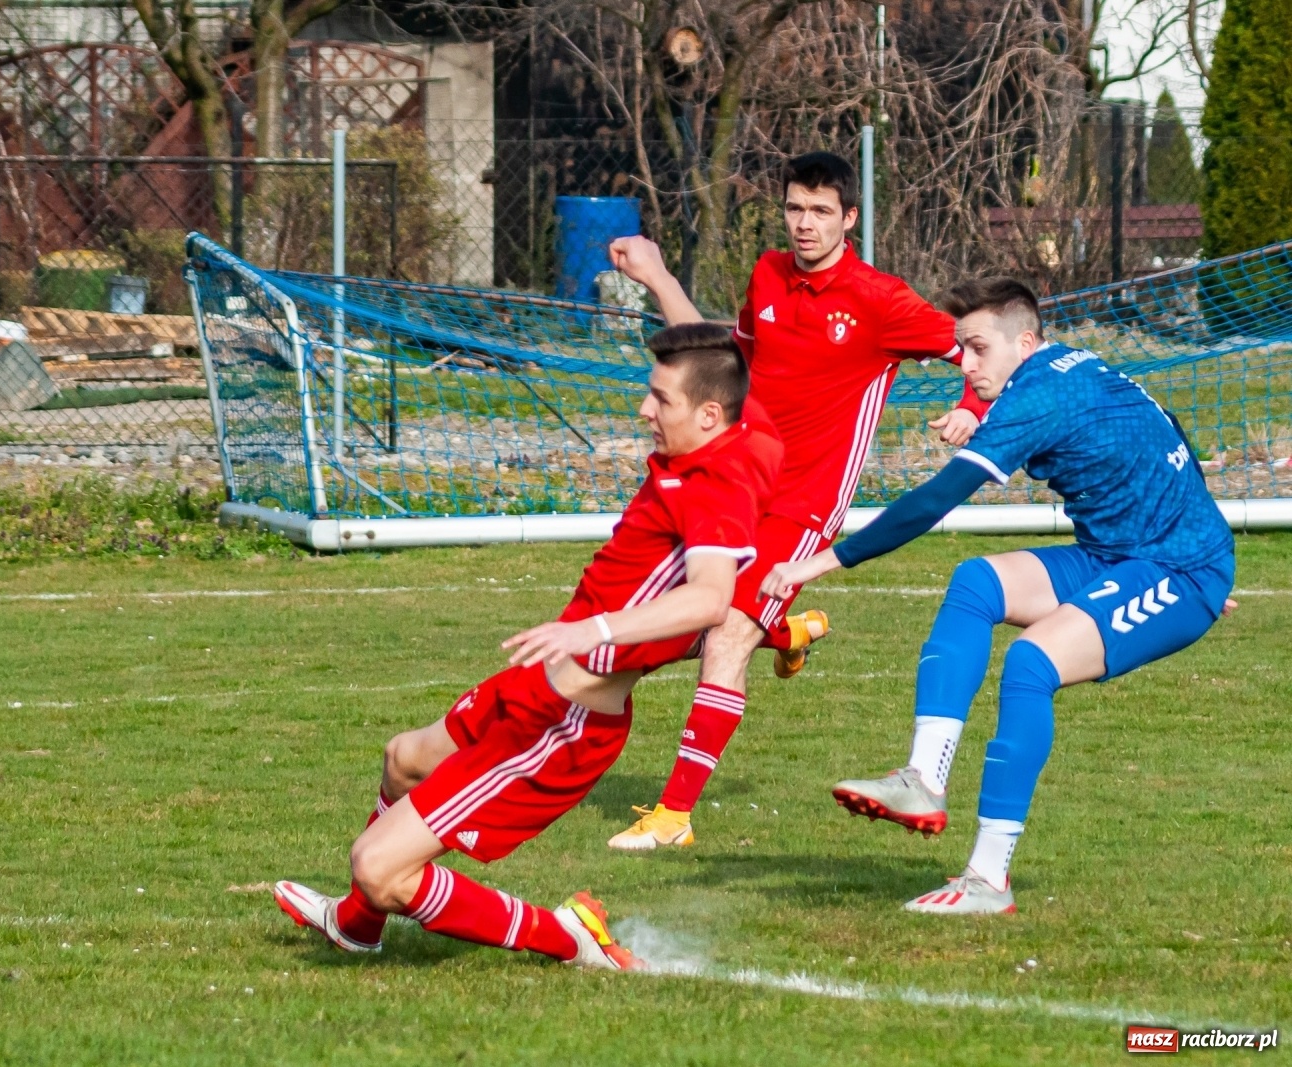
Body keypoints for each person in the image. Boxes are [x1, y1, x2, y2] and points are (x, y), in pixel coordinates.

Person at [274, 322, 783, 966]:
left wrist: (589, 631)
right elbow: (730, 368)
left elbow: (711, 598)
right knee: (403, 759)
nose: (644, 409)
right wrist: (656, 277)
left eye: (662, 399)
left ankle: (564, 935)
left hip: (562, 725)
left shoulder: (716, 485)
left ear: (710, 415)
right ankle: (357, 926)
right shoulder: (744, 432)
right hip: (536, 685)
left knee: (378, 868)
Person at [761, 277, 1237, 914]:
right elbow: (1165, 422)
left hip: (1174, 569)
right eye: (962, 349)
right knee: (976, 582)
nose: (969, 364)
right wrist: (1193, 523)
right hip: (1123, 554)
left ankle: (988, 880)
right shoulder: (1072, 362)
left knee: (1031, 663)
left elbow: (934, 501)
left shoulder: (1036, 396)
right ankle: (923, 778)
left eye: (980, 348)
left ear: (1027, 341)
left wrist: (815, 563)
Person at [602, 150, 989, 850]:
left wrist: (970, 408)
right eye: (793, 209)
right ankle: (788, 629)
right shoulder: (768, 273)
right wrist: (659, 277)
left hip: (806, 502)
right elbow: (727, 359)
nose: (804, 224)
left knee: (725, 636)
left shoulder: (879, 298)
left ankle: (673, 816)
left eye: (819, 211)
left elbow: (980, 355)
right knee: (646, 624)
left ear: (849, 217)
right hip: (737, 483)